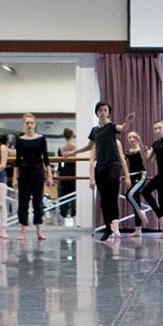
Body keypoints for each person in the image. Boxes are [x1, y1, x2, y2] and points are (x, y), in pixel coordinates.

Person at [76, 101, 128, 238]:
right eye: (100, 111)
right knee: (104, 200)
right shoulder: (95, 131)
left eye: (105, 110)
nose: (103, 113)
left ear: (108, 112)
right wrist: (73, 153)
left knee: (112, 195)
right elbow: (89, 147)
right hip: (101, 167)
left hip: (114, 164)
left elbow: (121, 128)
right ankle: (107, 229)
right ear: (97, 113)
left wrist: (127, 122)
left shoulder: (111, 127)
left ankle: (115, 225)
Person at [123, 131, 155, 231]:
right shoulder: (127, 152)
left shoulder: (143, 148)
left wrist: (145, 149)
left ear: (138, 138)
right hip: (131, 176)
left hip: (141, 175)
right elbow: (121, 162)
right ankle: (138, 229)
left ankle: (141, 212)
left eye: (134, 137)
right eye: (129, 137)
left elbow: (150, 160)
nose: (132, 139)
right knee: (135, 200)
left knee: (130, 194)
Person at [55, 128, 79, 225]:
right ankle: (74, 218)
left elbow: (60, 164)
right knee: (73, 194)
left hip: (65, 172)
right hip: (73, 172)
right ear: (72, 135)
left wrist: (59, 173)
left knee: (64, 195)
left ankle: (63, 218)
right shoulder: (75, 147)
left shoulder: (61, 148)